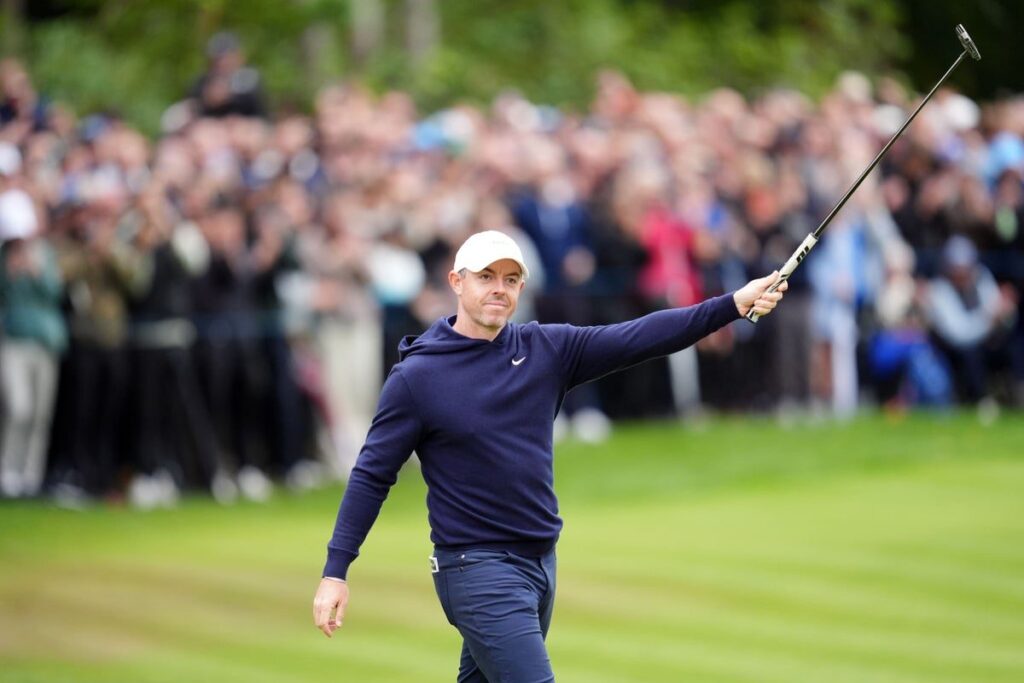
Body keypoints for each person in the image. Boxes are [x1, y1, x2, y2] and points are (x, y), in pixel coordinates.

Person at [312, 229, 786, 682]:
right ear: (456, 282)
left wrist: (730, 305)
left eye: (511, 280)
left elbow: (639, 336)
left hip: (540, 563)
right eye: (486, 277)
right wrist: (336, 570)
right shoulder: (417, 377)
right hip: (477, 571)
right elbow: (372, 475)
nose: (500, 290)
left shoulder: (544, 348)